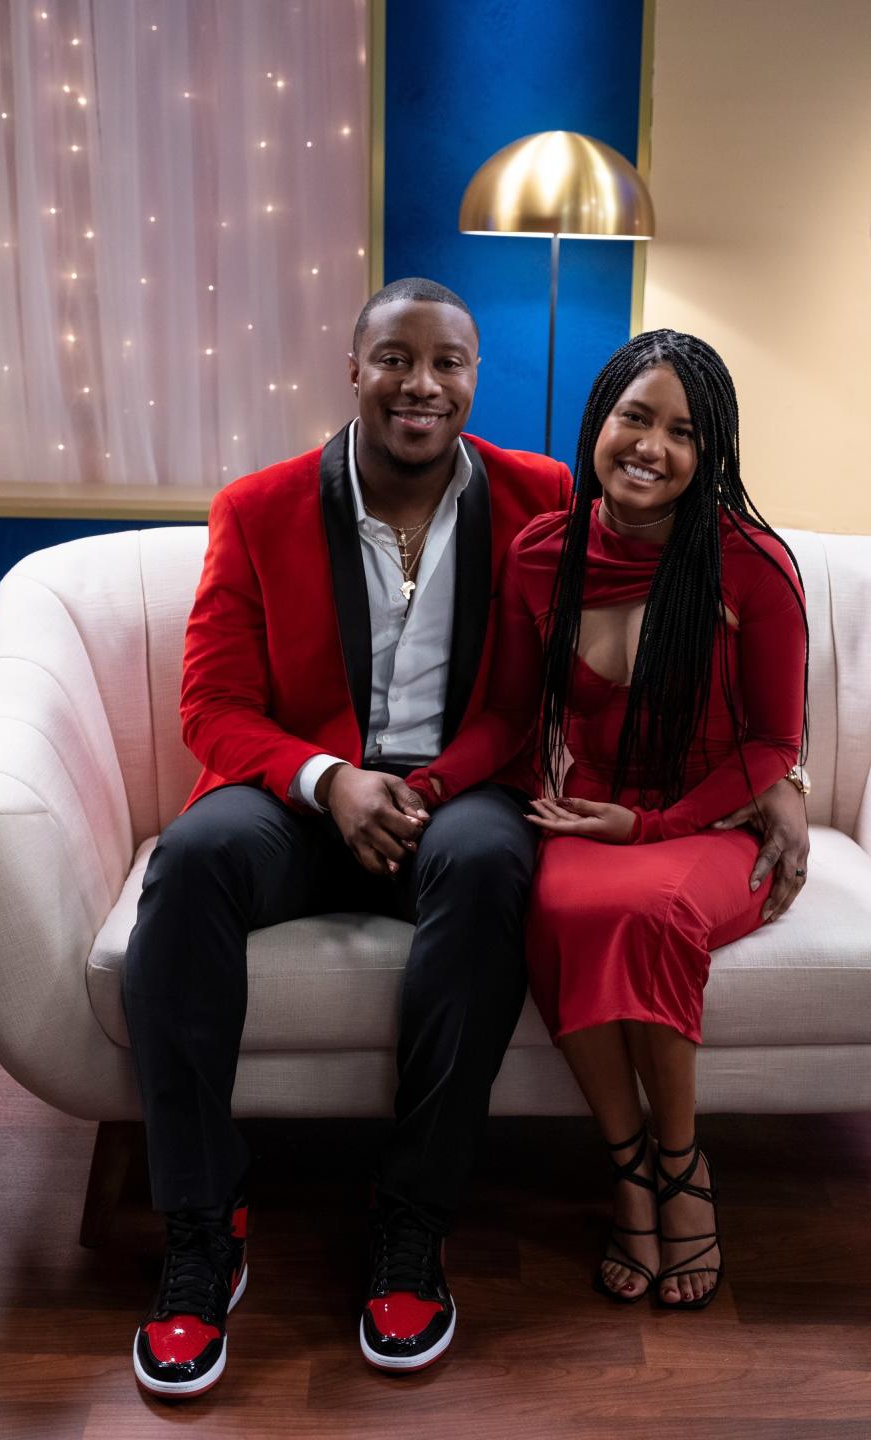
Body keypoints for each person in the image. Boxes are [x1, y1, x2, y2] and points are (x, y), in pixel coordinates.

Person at [124, 289, 807, 1399]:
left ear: (475, 378)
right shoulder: (257, 509)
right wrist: (330, 778)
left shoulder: (542, 498)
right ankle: (201, 1230)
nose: (422, 385)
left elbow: (678, 616)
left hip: (460, 793)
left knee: (496, 862)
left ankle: (413, 1225)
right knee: (193, 861)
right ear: (354, 367)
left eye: (448, 363)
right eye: (395, 358)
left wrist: (788, 775)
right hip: (299, 793)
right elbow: (212, 707)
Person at [406, 329, 809, 1313]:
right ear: (600, 422)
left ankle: (682, 1168)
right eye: (637, 417)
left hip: (705, 826)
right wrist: (428, 788)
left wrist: (654, 826)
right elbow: (505, 713)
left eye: (683, 431)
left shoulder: (755, 567)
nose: (652, 446)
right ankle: (630, 1171)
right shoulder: (543, 555)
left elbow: (770, 744)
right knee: (557, 913)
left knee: (651, 911)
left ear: (710, 453)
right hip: (586, 817)